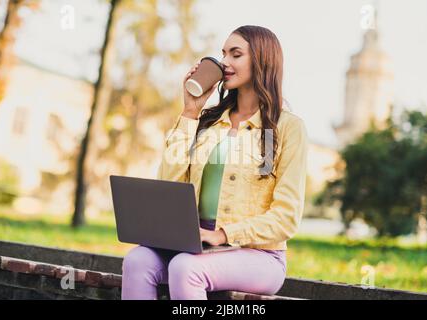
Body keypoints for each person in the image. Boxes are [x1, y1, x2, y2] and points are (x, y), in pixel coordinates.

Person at [121, 25, 309, 300]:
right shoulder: (208, 122)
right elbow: (169, 184)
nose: (225, 63)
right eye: (223, 54)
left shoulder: (286, 128)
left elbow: (287, 217)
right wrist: (189, 112)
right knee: (138, 261)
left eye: (236, 54)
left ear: (262, 60)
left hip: (259, 255)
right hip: (198, 245)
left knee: (186, 268)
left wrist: (222, 234)